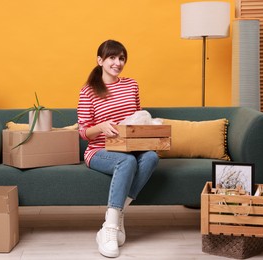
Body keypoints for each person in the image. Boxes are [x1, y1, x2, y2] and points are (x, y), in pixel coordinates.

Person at [77, 39, 159, 258]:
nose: (117, 62)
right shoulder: (88, 91)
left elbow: (138, 118)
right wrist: (101, 127)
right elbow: (83, 132)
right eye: (112, 57)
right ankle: (111, 228)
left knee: (151, 156)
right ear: (100, 60)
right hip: (98, 151)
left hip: (130, 147)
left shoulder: (131, 85)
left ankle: (114, 217)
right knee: (127, 162)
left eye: (121, 58)